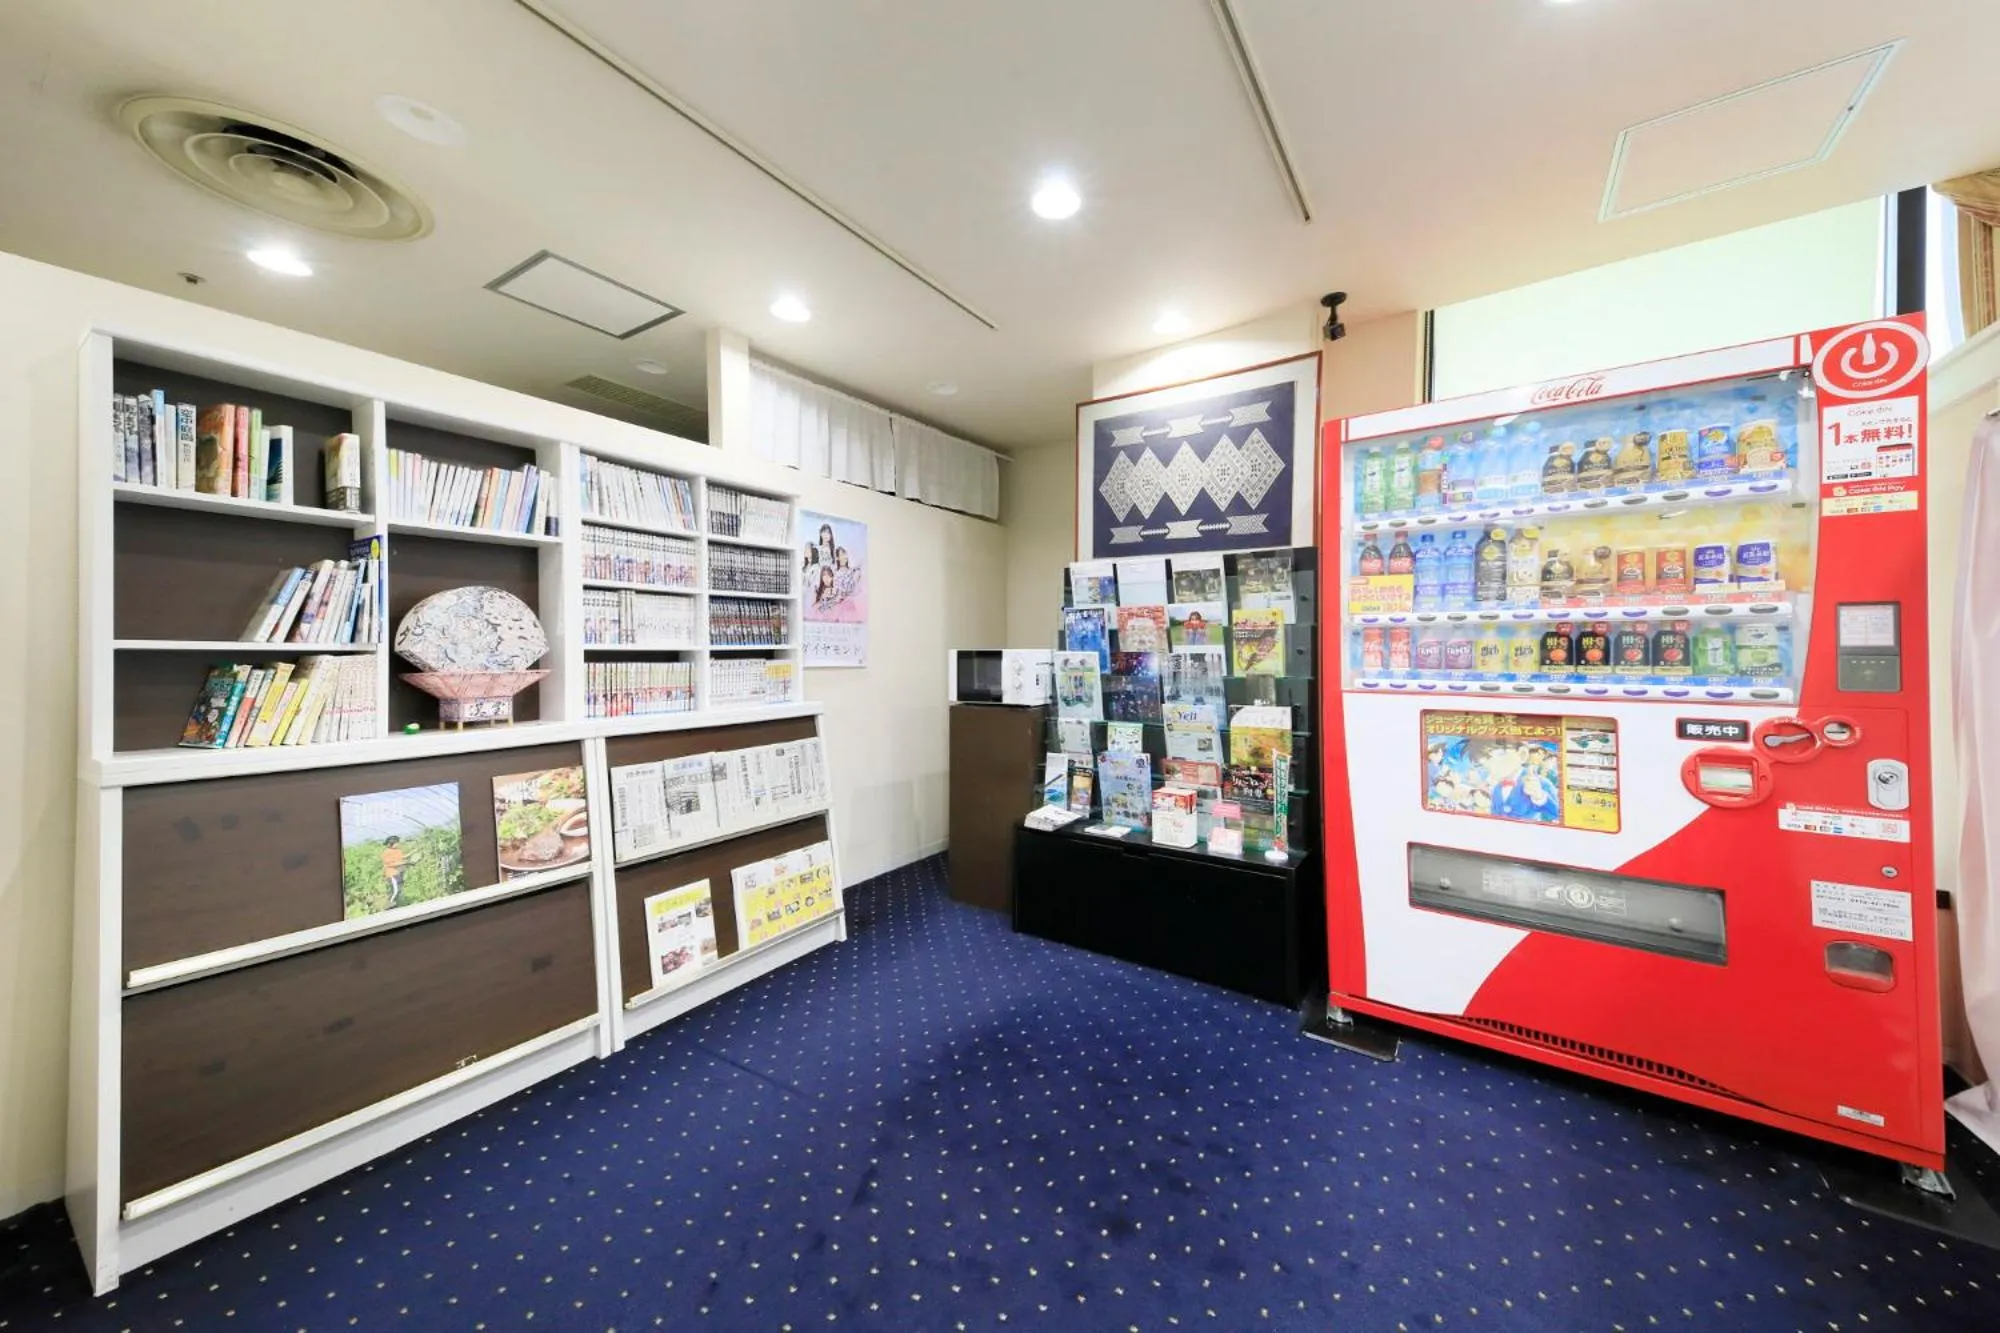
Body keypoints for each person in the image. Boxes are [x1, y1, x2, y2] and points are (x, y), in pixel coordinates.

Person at [380, 835, 408, 908]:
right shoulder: (386, 852)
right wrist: (405, 863)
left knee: (399, 889)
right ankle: (389, 904)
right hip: (392, 873)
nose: (398, 844)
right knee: (396, 890)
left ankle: (393, 904)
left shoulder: (398, 851)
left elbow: (401, 858)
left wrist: (412, 853)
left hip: (399, 873)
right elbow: (390, 864)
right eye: (396, 843)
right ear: (391, 843)